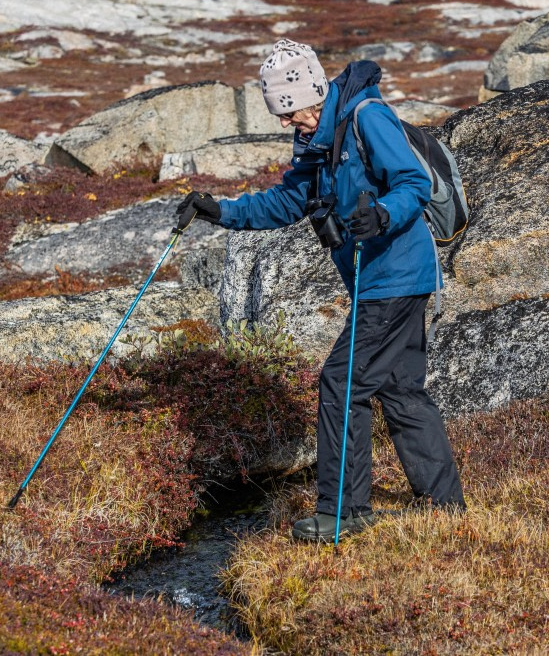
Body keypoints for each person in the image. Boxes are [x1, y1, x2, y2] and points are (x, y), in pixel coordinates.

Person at [177, 39, 465, 542]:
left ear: (311, 91)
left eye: (288, 111)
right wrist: (218, 211)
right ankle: (445, 507)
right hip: (378, 282)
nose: (286, 122)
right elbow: (287, 201)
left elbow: (413, 184)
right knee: (400, 392)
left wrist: (382, 214)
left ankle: (344, 511)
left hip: (395, 277)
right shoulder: (317, 139)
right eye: (280, 114)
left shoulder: (366, 118)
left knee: (341, 382)